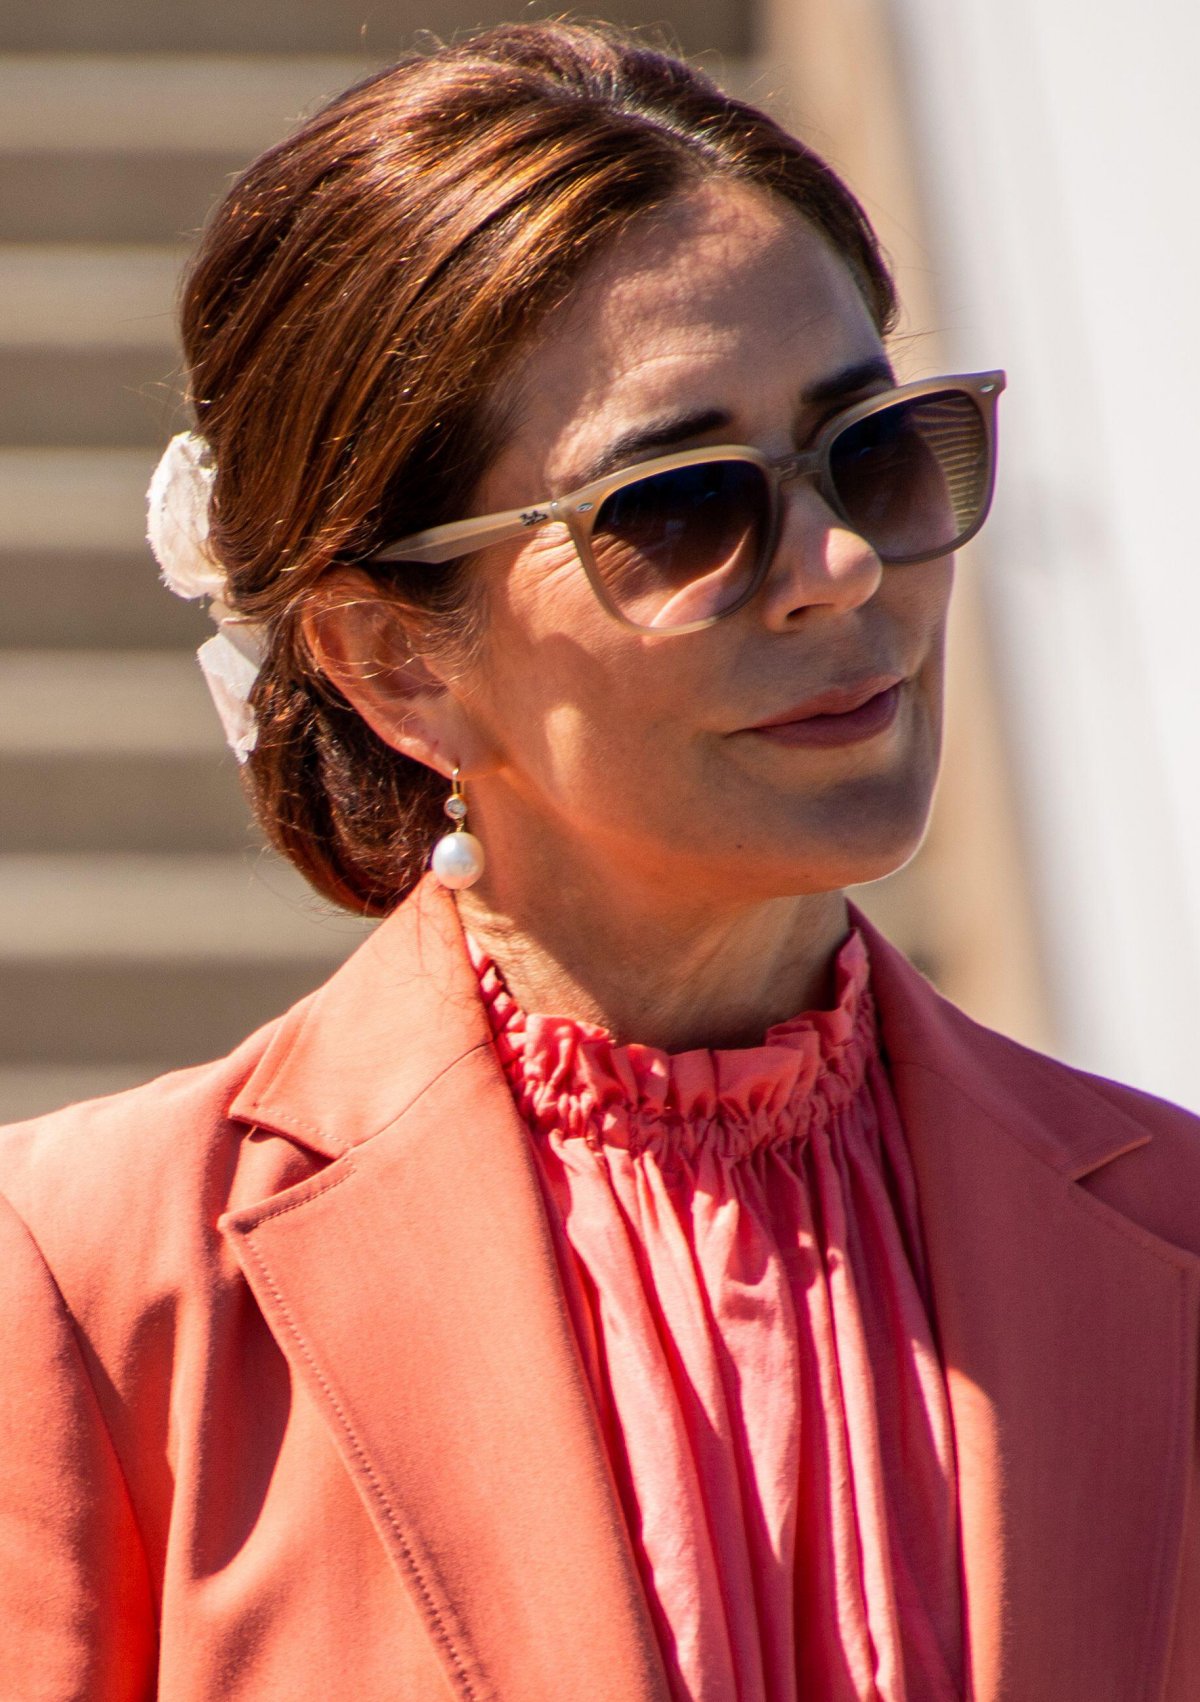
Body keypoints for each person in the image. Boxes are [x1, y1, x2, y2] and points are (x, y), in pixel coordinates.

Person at [1, 21, 1197, 1702]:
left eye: (876, 448)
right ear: (389, 657)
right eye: (682, 504)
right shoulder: (90, 1283)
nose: (843, 566)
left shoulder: (1179, 1236)